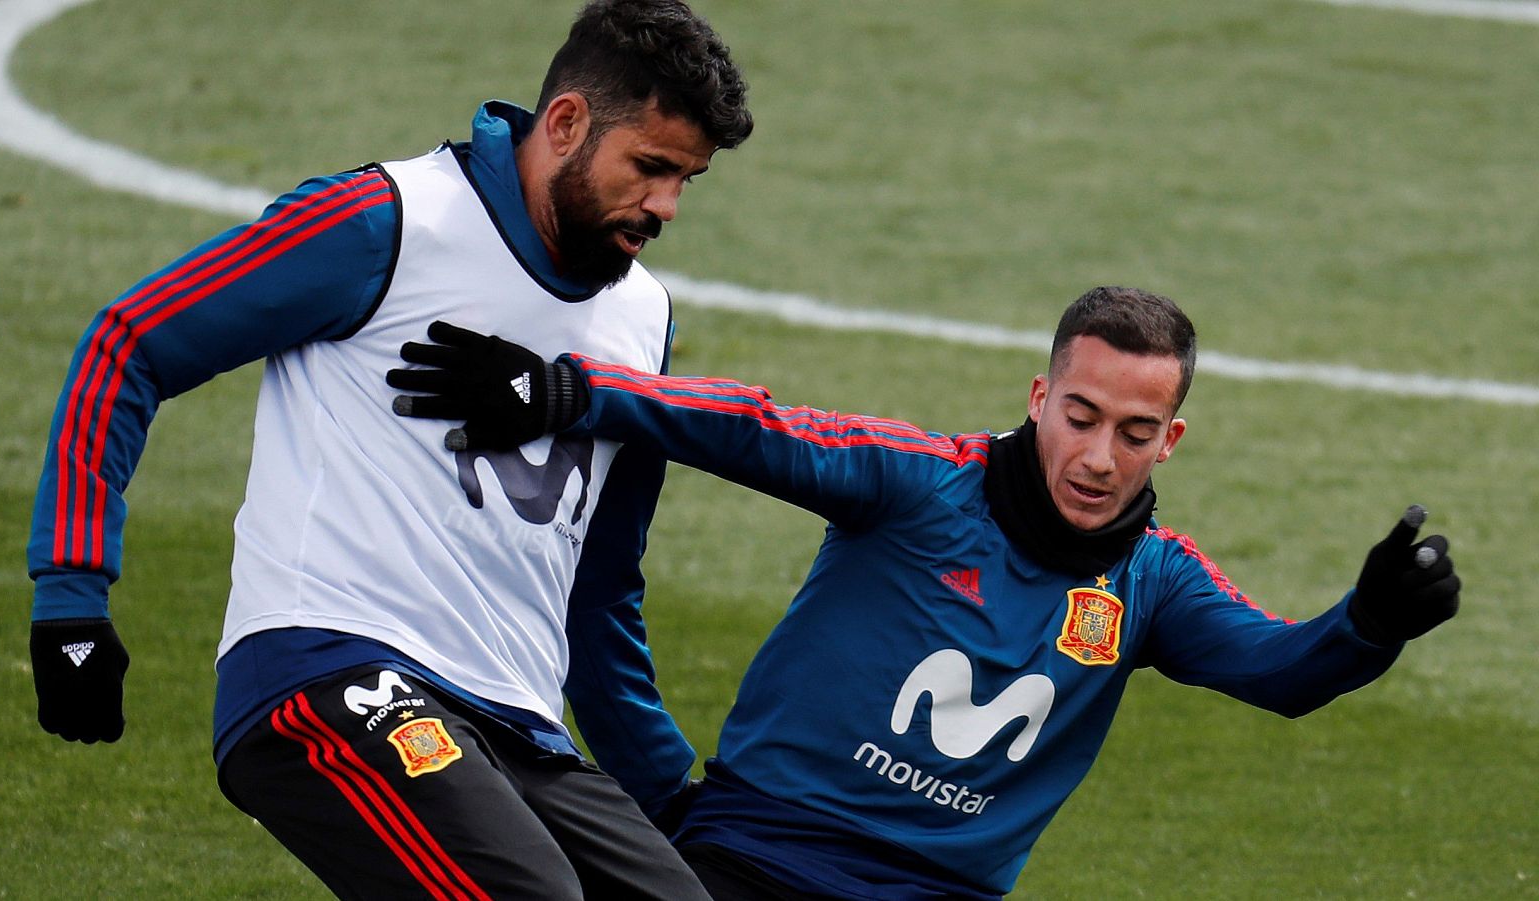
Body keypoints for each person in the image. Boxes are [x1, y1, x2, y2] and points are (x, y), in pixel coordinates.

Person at [387, 286, 1461, 899]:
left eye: (1133, 434)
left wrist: (1370, 621)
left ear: (1169, 441)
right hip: (760, 861)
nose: (1097, 454)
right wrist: (570, 389)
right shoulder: (918, 483)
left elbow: (1282, 670)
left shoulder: (1154, 584)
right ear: (1039, 396)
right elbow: (747, 425)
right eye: (1080, 416)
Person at [25, 1, 752, 897]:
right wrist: (71, 598)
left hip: (519, 730)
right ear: (565, 122)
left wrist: (658, 790)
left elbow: (598, 581)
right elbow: (130, 341)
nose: (666, 206)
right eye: (650, 167)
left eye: (688, 179)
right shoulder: (384, 221)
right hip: (331, 671)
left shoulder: (643, 320)